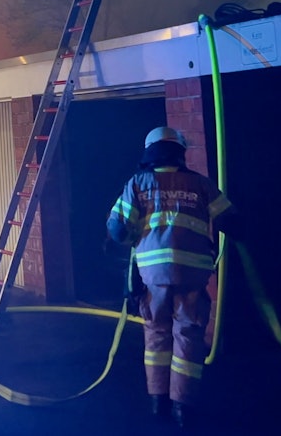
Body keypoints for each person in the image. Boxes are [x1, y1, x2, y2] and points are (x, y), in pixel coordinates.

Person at [106, 126, 238, 428]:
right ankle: (183, 407)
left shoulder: (138, 183)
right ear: (180, 151)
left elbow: (116, 229)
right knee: (188, 337)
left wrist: (132, 239)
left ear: (149, 151)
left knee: (156, 335)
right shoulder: (200, 184)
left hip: (153, 275)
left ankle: (158, 402)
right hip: (192, 273)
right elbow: (231, 221)